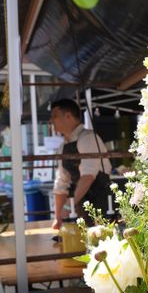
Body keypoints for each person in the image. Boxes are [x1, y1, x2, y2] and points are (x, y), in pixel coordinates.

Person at [49, 98, 111, 229]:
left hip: (100, 204)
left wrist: (68, 207)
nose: (51, 120)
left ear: (68, 116)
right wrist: (58, 216)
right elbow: (62, 182)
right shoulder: (63, 147)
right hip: (80, 206)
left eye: (55, 116)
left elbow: (88, 176)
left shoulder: (88, 138)